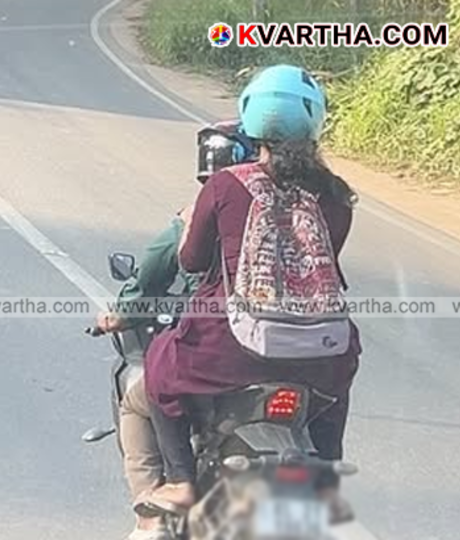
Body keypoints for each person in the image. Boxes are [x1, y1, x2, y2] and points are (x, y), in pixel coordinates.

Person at [141, 65, 360, 518]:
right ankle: (325, 473)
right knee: (337, 388)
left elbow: (192, 262)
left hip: (227, 348)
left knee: (158, 368)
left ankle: (181, 482)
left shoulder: (226, 184)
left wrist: (189, 227)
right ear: (315, 122)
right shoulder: (338, 197)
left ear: (250, 121)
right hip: (320, 353)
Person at [95, 121, 256, 540]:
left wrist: (118, 315)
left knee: (145, 391)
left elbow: (151, 275)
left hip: (216, 353)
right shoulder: (305, 208)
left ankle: (153, 517)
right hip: (304, 357)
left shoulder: (195, 216)